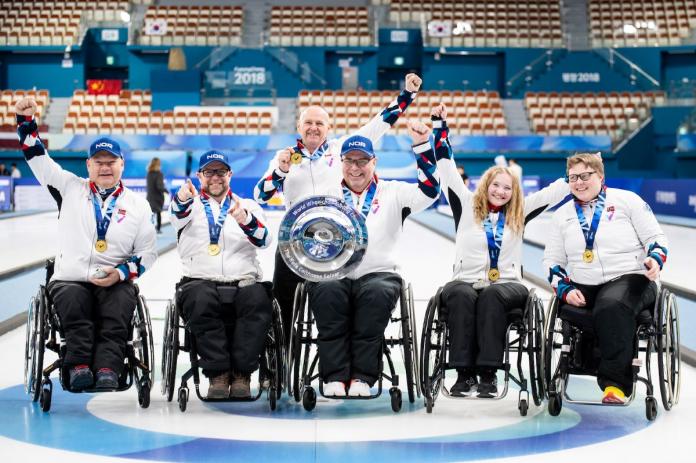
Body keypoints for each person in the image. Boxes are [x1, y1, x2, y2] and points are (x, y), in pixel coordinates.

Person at [254, 73, 422, 347]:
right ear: (299, 126)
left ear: (328, 128)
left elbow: (379, 124)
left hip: (334, 242)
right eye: (308, 122)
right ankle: (279, 358)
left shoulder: (341, 149)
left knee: (332, 302)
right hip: (294, 243)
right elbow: (261, 194)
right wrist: (281, 170)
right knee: (282, 303)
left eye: (319, 123)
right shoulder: (284, 157)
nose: (313, 127)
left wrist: (406, 95)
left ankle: (336, 353)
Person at [15, 98, 157, 391]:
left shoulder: (138, 205)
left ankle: (108, 368)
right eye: (99, 163)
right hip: (71, 277)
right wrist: (25, 121)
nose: (105, 168)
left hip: (114, 278)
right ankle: (78, 366)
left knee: (117, 312)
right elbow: (38, 158)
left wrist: (120, 274)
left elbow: (148, 253)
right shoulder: (68, 188)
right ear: (88, 164)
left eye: (111, 162)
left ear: (122, 165)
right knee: (74, 304)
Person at [433, 104, 569, 397]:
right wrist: (439, 124)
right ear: (486, 185)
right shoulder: (466, 205)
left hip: (507, 286)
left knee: (493, 296)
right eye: (496, 185)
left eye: (507, 188)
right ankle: (463, 374)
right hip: (465, 281)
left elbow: (555, 192)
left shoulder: (520, 211)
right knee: (459, 294)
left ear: (514, 192)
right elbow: (445, 166)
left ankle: (487, 374)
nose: (501, 192)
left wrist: (583, 172)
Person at [308, 117, 440, 397]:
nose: (355, 168)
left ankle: (362, 378)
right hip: (335, 272)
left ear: (374, 162)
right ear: (341, 162)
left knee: (375, 296)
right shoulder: (326, 195)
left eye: (362, 161)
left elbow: (430, 192)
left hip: (379, 273)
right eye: (349, 161)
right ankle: (334, 376)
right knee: (327, 293)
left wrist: (422, 147)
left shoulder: (393, 192)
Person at [543, 152, 668, 404]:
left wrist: (655, 258)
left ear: (600, 175)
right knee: (594, 306)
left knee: (610, 305)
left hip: (630, 277)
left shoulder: (627, 200)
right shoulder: (562, 214)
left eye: (585, 176)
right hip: (583, 283)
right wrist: (564, 289)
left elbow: (656, 238)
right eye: (573, 177)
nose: (579, 182)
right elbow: (552, 261)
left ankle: (615, 385)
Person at [170, 151, 272, 399]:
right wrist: (182, 197)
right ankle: (218, 374)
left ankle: (241, 375)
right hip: (199, 281)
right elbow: (176, 215)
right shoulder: (190, 205)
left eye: (220, 172)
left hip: (244, 280)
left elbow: (265, 240)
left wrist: (243, 218)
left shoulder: (248, 205)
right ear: (200, 176)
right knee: (200, 300)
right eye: (209, 172)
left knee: (258, 300)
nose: (215, 177)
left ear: (230, 175)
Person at [146, 157, 168, 234]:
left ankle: (148, 229)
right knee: (158, 213)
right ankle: (158, 229)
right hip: (158, 197)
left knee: (150, 213)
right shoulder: (159, 174)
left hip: (150, 196)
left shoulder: (149, 173)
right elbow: (159, 186)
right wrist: (166, 191)